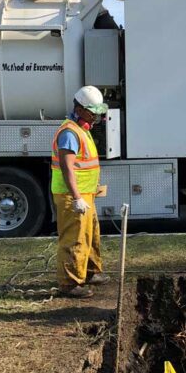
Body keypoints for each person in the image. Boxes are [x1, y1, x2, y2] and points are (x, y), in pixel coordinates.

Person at [51, 86, 109, 298]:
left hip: (86, 195)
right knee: (74, 238)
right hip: (72, 196)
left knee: (90, 235)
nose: (96, 116)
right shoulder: (69, 133)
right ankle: (69, 283)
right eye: (92, 112)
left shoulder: (82, 130)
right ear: (80, 109)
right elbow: (67, 168)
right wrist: (76, 197)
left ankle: (91, 272)